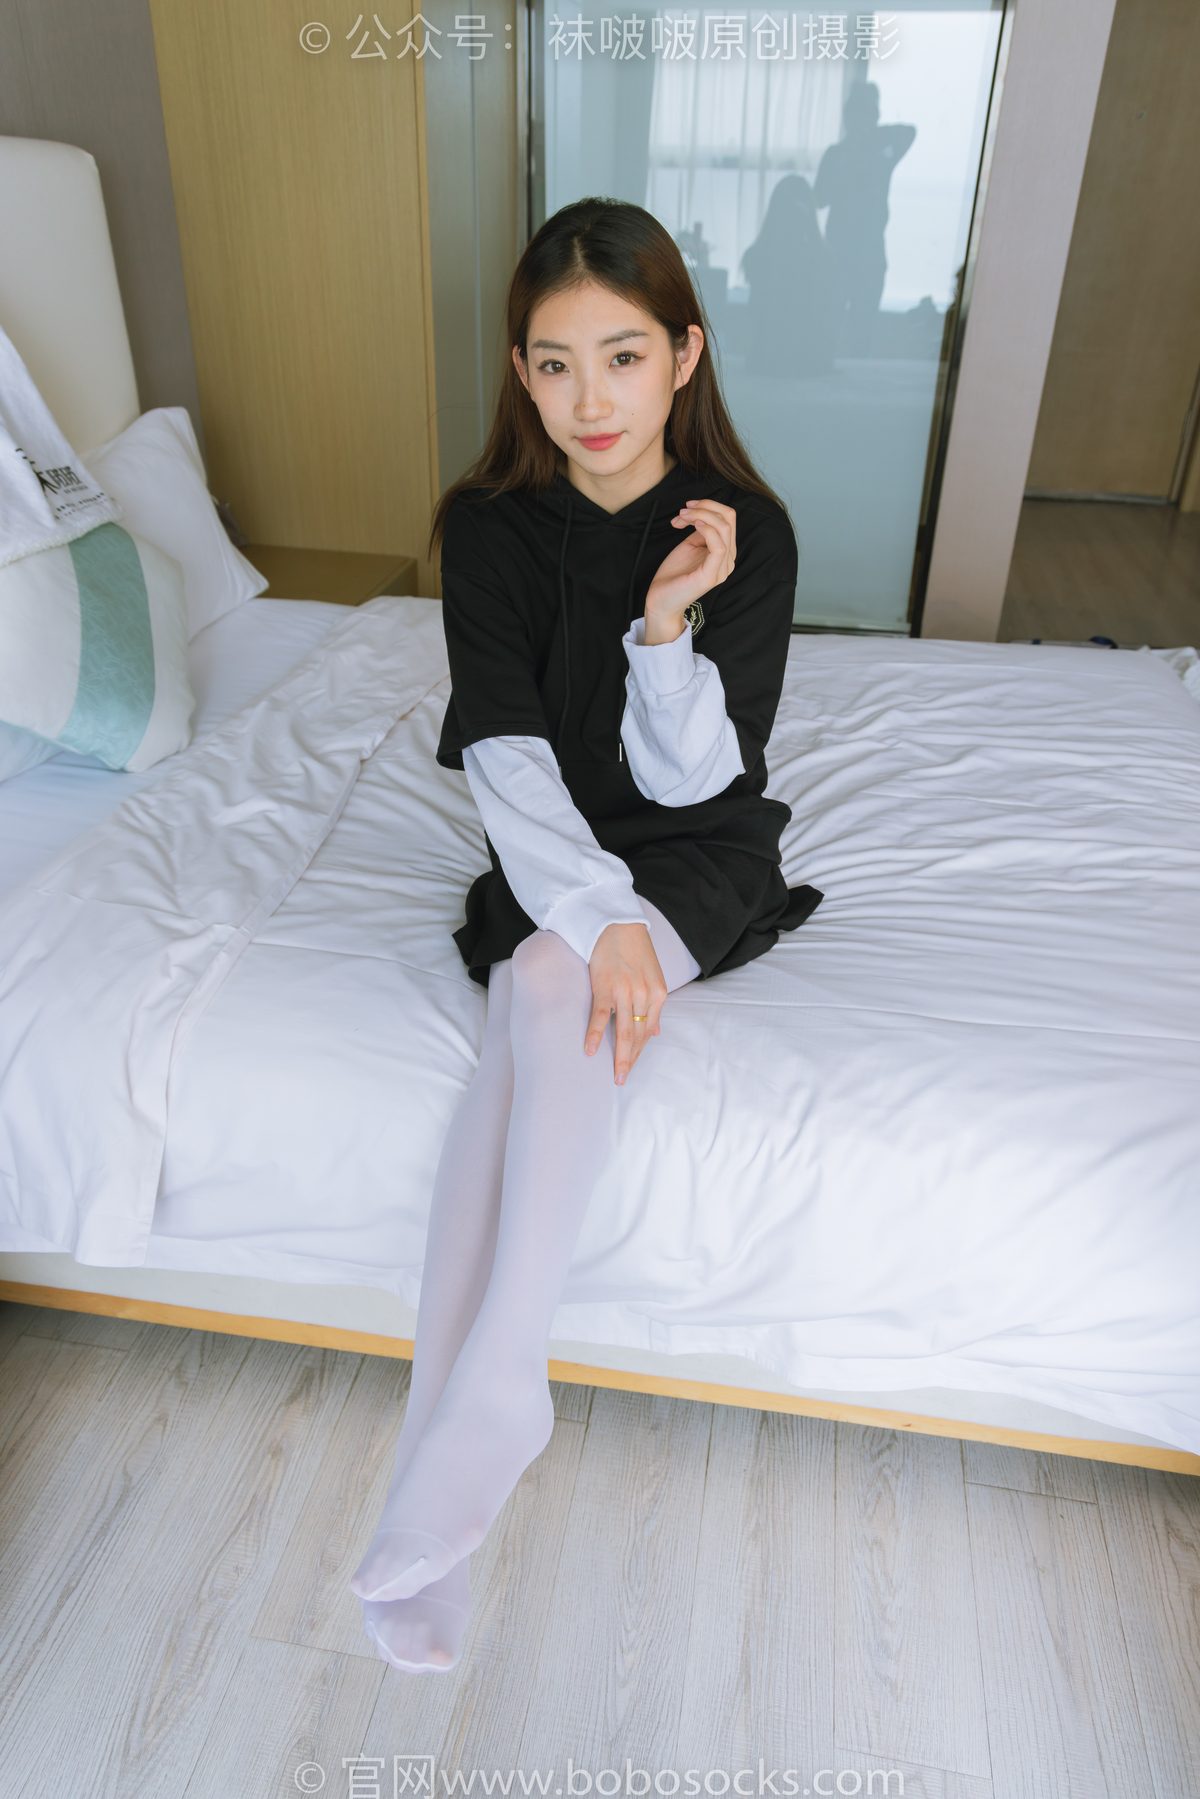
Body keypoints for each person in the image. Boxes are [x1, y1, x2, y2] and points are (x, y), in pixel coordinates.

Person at [349, 196, 824, 1673]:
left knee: (546, 983)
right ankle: (476, 1414)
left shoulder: (744, 533)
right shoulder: (488, 528)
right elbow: (503, 755)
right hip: (550, 848)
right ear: (521, 371)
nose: (591, 399)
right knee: (544, 983)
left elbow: (697, 785)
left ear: (686, 352)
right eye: (555, 365)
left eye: (624, 356)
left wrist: (669, 625)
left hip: (697, 848)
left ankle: (480, 1396)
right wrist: (599, 912)